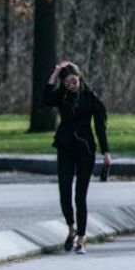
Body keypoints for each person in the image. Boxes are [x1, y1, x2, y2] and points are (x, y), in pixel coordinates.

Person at [45, 60, 110, 255]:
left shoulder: (91, 99)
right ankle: (71, 228)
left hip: (85, 150)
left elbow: (100, 128)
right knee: (64, 193)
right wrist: (55, 73)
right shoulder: (62, 96)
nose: (71, 86)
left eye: (73, 82)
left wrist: (106, 152)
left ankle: (81, 238)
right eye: (67, 83)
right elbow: (45, 99)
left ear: (79, 78)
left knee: (80, 196)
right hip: (65, 148)